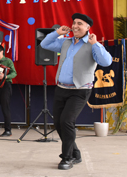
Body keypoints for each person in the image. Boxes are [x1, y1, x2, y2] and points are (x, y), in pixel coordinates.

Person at [40, 13, 112, 170]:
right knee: (58, 123)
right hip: (61, 88)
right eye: (74, 23)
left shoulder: (92, 45)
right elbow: (44, 44)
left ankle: (67, 158)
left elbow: (106, 62)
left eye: (80, 23)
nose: (75, 26)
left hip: (80, 90)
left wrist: (96, 44)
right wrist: (57, 33)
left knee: (67, 121)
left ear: (87, 27)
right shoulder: (65, 42)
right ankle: (76, 153)